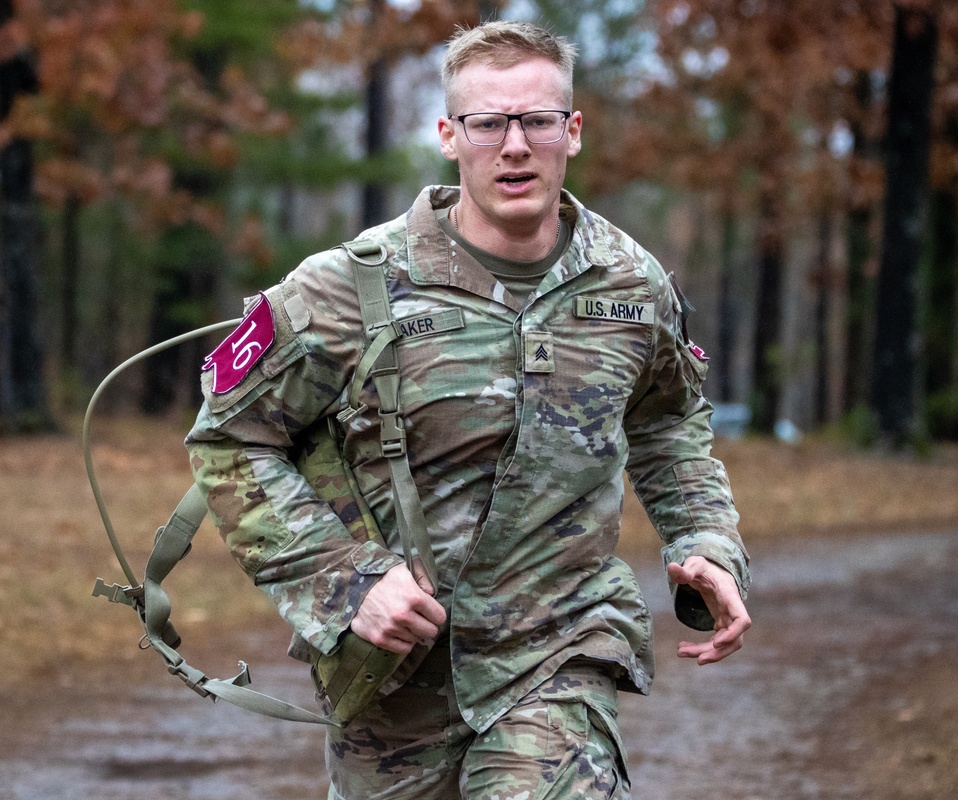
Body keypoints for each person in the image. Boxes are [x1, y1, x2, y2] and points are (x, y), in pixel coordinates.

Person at [186, 20, 750, 800]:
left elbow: (667, 422)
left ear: (572, 132)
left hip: (559, 653)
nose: (514, 145)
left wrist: (707, 541)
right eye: (489, 122)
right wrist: (348, 582)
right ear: (451, 134)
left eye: (537, 120)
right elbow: (230, 437)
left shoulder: (631, 287)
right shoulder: (348, 289)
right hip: (396, 680)